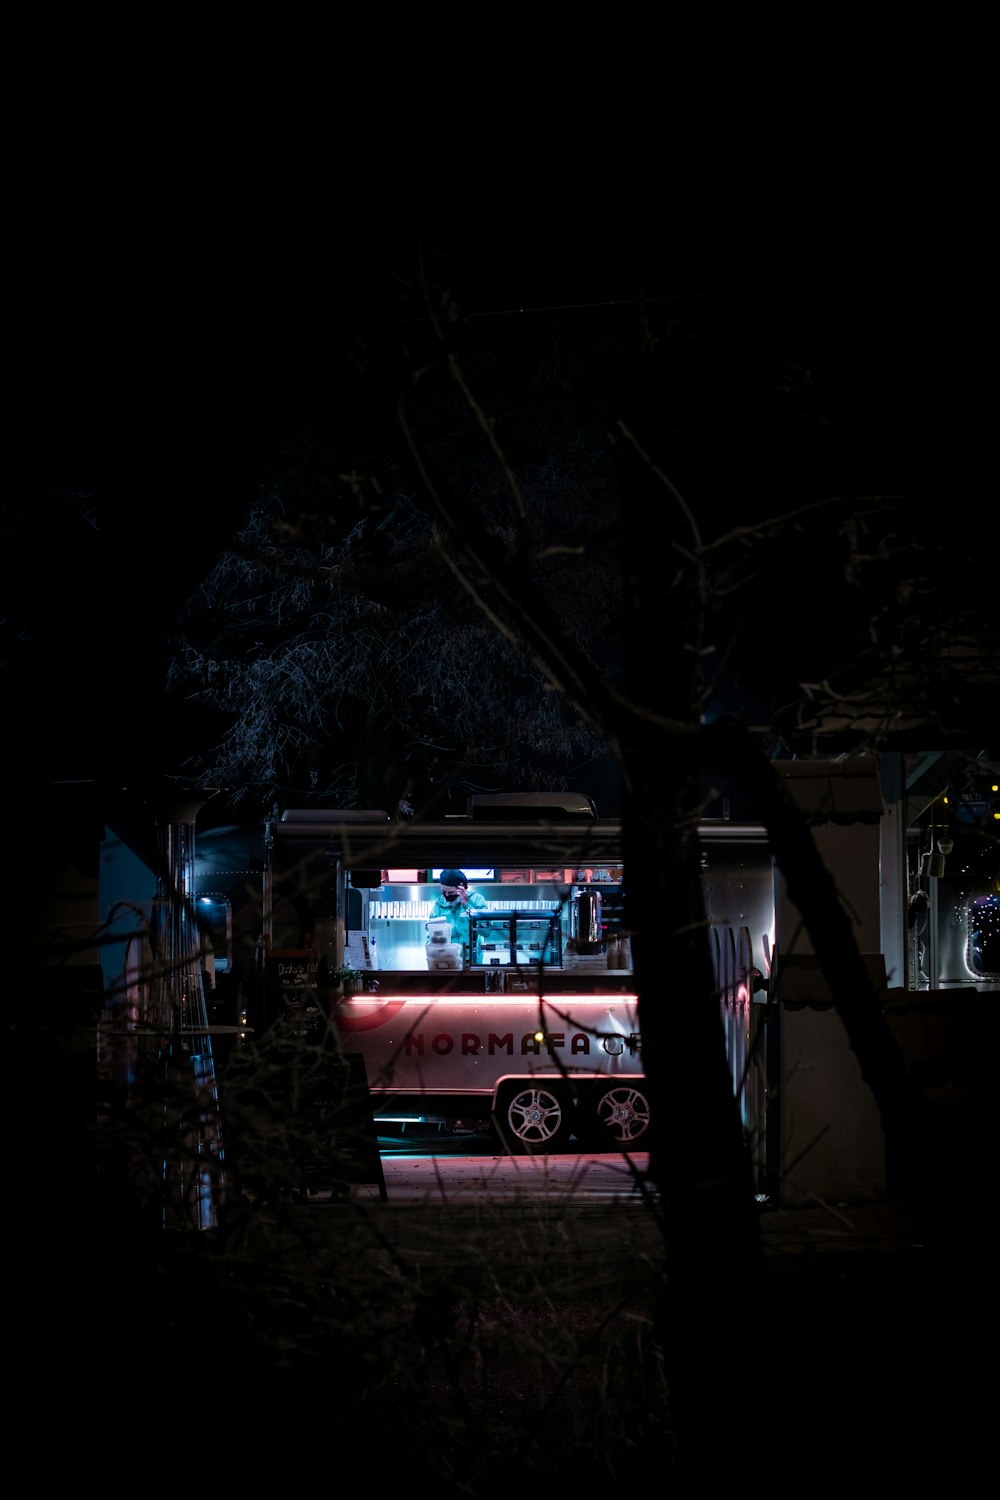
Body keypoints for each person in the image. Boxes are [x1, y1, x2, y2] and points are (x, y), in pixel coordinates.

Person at [427, 868, 489, 958]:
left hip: (471, 961)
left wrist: (467, 905)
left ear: (461, 887)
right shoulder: (438, 906)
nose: (447, 895)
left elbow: (486, 932)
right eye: (444, 892)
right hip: (448, 961)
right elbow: (430, 936)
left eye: (451, 892)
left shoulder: (476, 900)